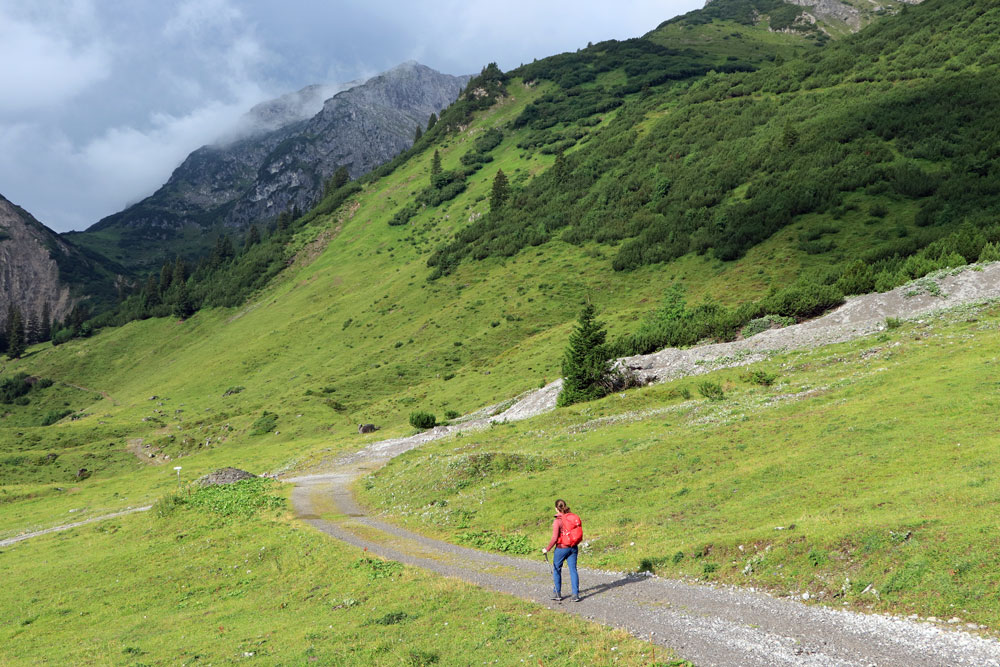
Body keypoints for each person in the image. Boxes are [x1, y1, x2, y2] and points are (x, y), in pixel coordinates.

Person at [541, 498, 582, 602]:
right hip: (573, 547)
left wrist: (547, 549)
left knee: (557, 569)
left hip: (562, 548)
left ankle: (557, 593)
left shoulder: (557, 521)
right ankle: (575, 595)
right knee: (573, 569)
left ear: (556, 509)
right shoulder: (571, 518)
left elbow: (555, 538)